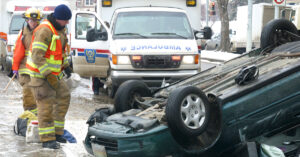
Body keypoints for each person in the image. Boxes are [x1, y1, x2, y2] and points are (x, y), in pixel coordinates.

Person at [26, 4, 72, 149]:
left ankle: (57, 133)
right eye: (66, 20)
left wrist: (66, 66)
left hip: (54, 75)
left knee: (64, 96)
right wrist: (48, 74)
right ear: (58, 19)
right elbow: (37, 56)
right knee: (45, 105)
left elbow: (60, 53)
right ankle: (47, 140)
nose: (68, 23)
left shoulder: (60, 30)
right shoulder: (45, 30)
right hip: (40, 75)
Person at [12, 8, 41, 114]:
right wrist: (15, 68)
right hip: (25, 68)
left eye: (35, 21)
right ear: (27, 20)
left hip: (39, 68)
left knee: (40, 94)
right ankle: (29, 115)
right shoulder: (23, 33)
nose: (33, 23)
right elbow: (18, 51)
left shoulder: (43, 32)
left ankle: (39, 116)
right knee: (28, 92)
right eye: (31, 20)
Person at [92, 21, 110, 95]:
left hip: (107, 59)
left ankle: (104, 89)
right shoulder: (97, 35)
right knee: (96, 74)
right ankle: (96, 89)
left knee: (107, 75)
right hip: (99, 58)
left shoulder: (111, 35)